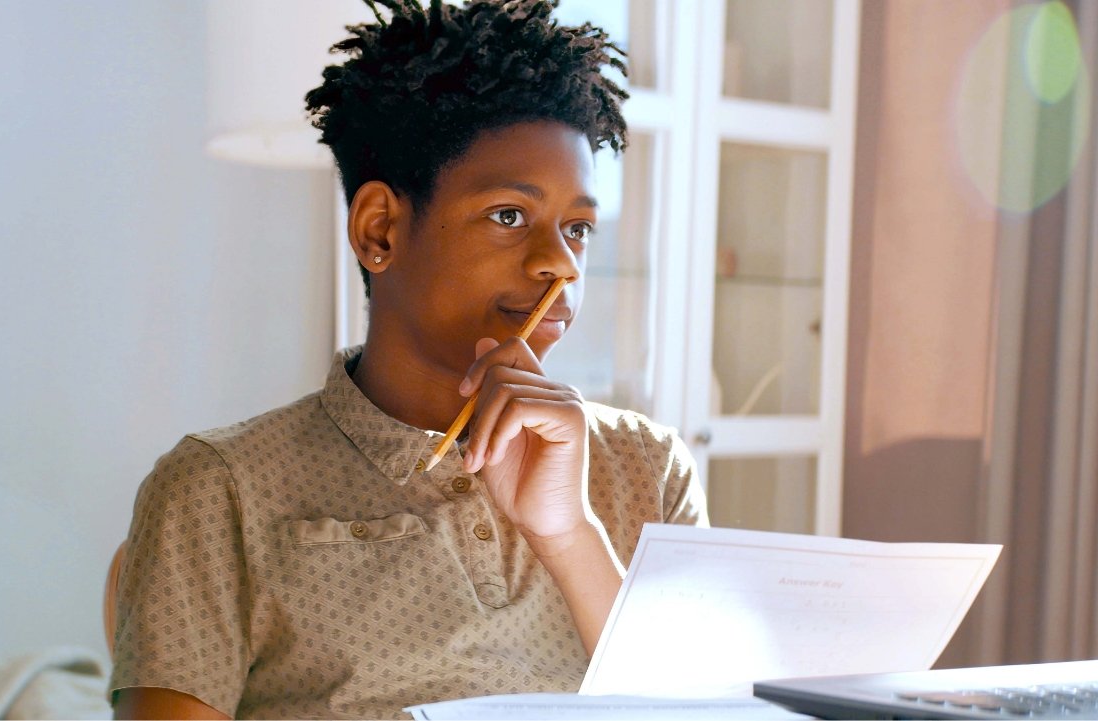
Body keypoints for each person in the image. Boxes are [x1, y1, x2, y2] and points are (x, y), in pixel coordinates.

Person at [109, 1, 708, 718]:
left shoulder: (648, 467)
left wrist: (570, 533)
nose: (561, 264)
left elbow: (703, 708)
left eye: (576, 227)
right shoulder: (218, 489)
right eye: (510, 216)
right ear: (380, 229)